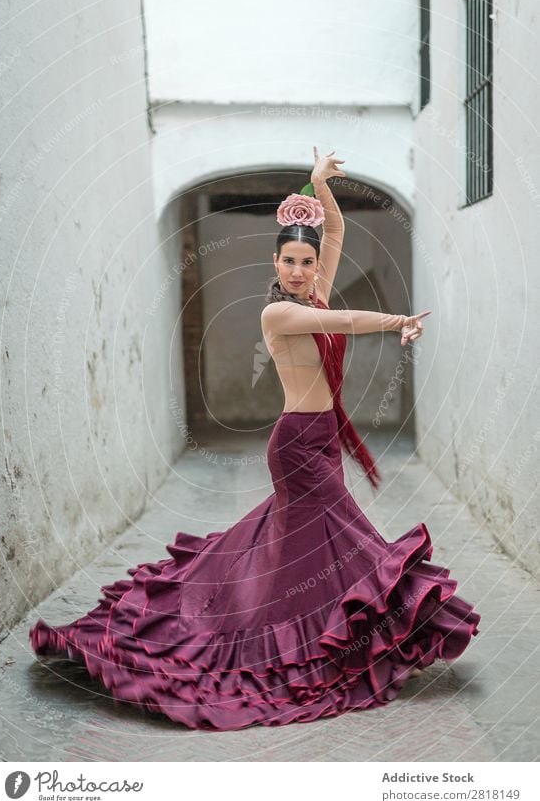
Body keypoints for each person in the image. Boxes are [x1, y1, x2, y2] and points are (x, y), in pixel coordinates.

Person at [29, 148, 480, 732]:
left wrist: (320, 186)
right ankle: (343, 640)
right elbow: (342, 324)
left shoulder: (315, 291)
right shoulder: (279, 314)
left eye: (306, 260)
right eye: (289, 259)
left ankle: (333, 635)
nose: (297, 269)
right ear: (276, 260)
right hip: (296, 447)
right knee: (345, 538)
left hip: (320, 439)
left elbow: (334, 228)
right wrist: (397, 323)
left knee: (311, 551)